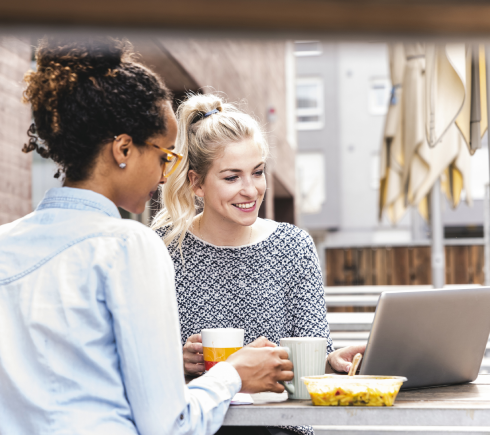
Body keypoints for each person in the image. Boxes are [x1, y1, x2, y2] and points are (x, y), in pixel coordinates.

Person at [0, 37, 294, 435]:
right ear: (123, 149)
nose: (165, 175)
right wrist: (232, 373)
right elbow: (169, 425)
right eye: (164, 155)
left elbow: (12, 378)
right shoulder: (129, 245)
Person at [152, 94, 366, 435]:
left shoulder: (293, 245)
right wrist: (177, 362)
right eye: (232, 177)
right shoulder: (162, 248)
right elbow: (142, 363)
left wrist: (332, 360)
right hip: (199, 425)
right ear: (196, 183)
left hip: (280, 428)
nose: (250, 190)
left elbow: (312, 354)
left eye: (258, 172)